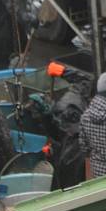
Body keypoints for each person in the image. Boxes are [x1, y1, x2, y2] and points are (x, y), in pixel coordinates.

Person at [27, 61, 90, 189]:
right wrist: (64, 71)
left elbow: (56, 133)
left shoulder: (69, 106)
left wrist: (63, 71)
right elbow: (86, 80)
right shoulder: (75, 102)